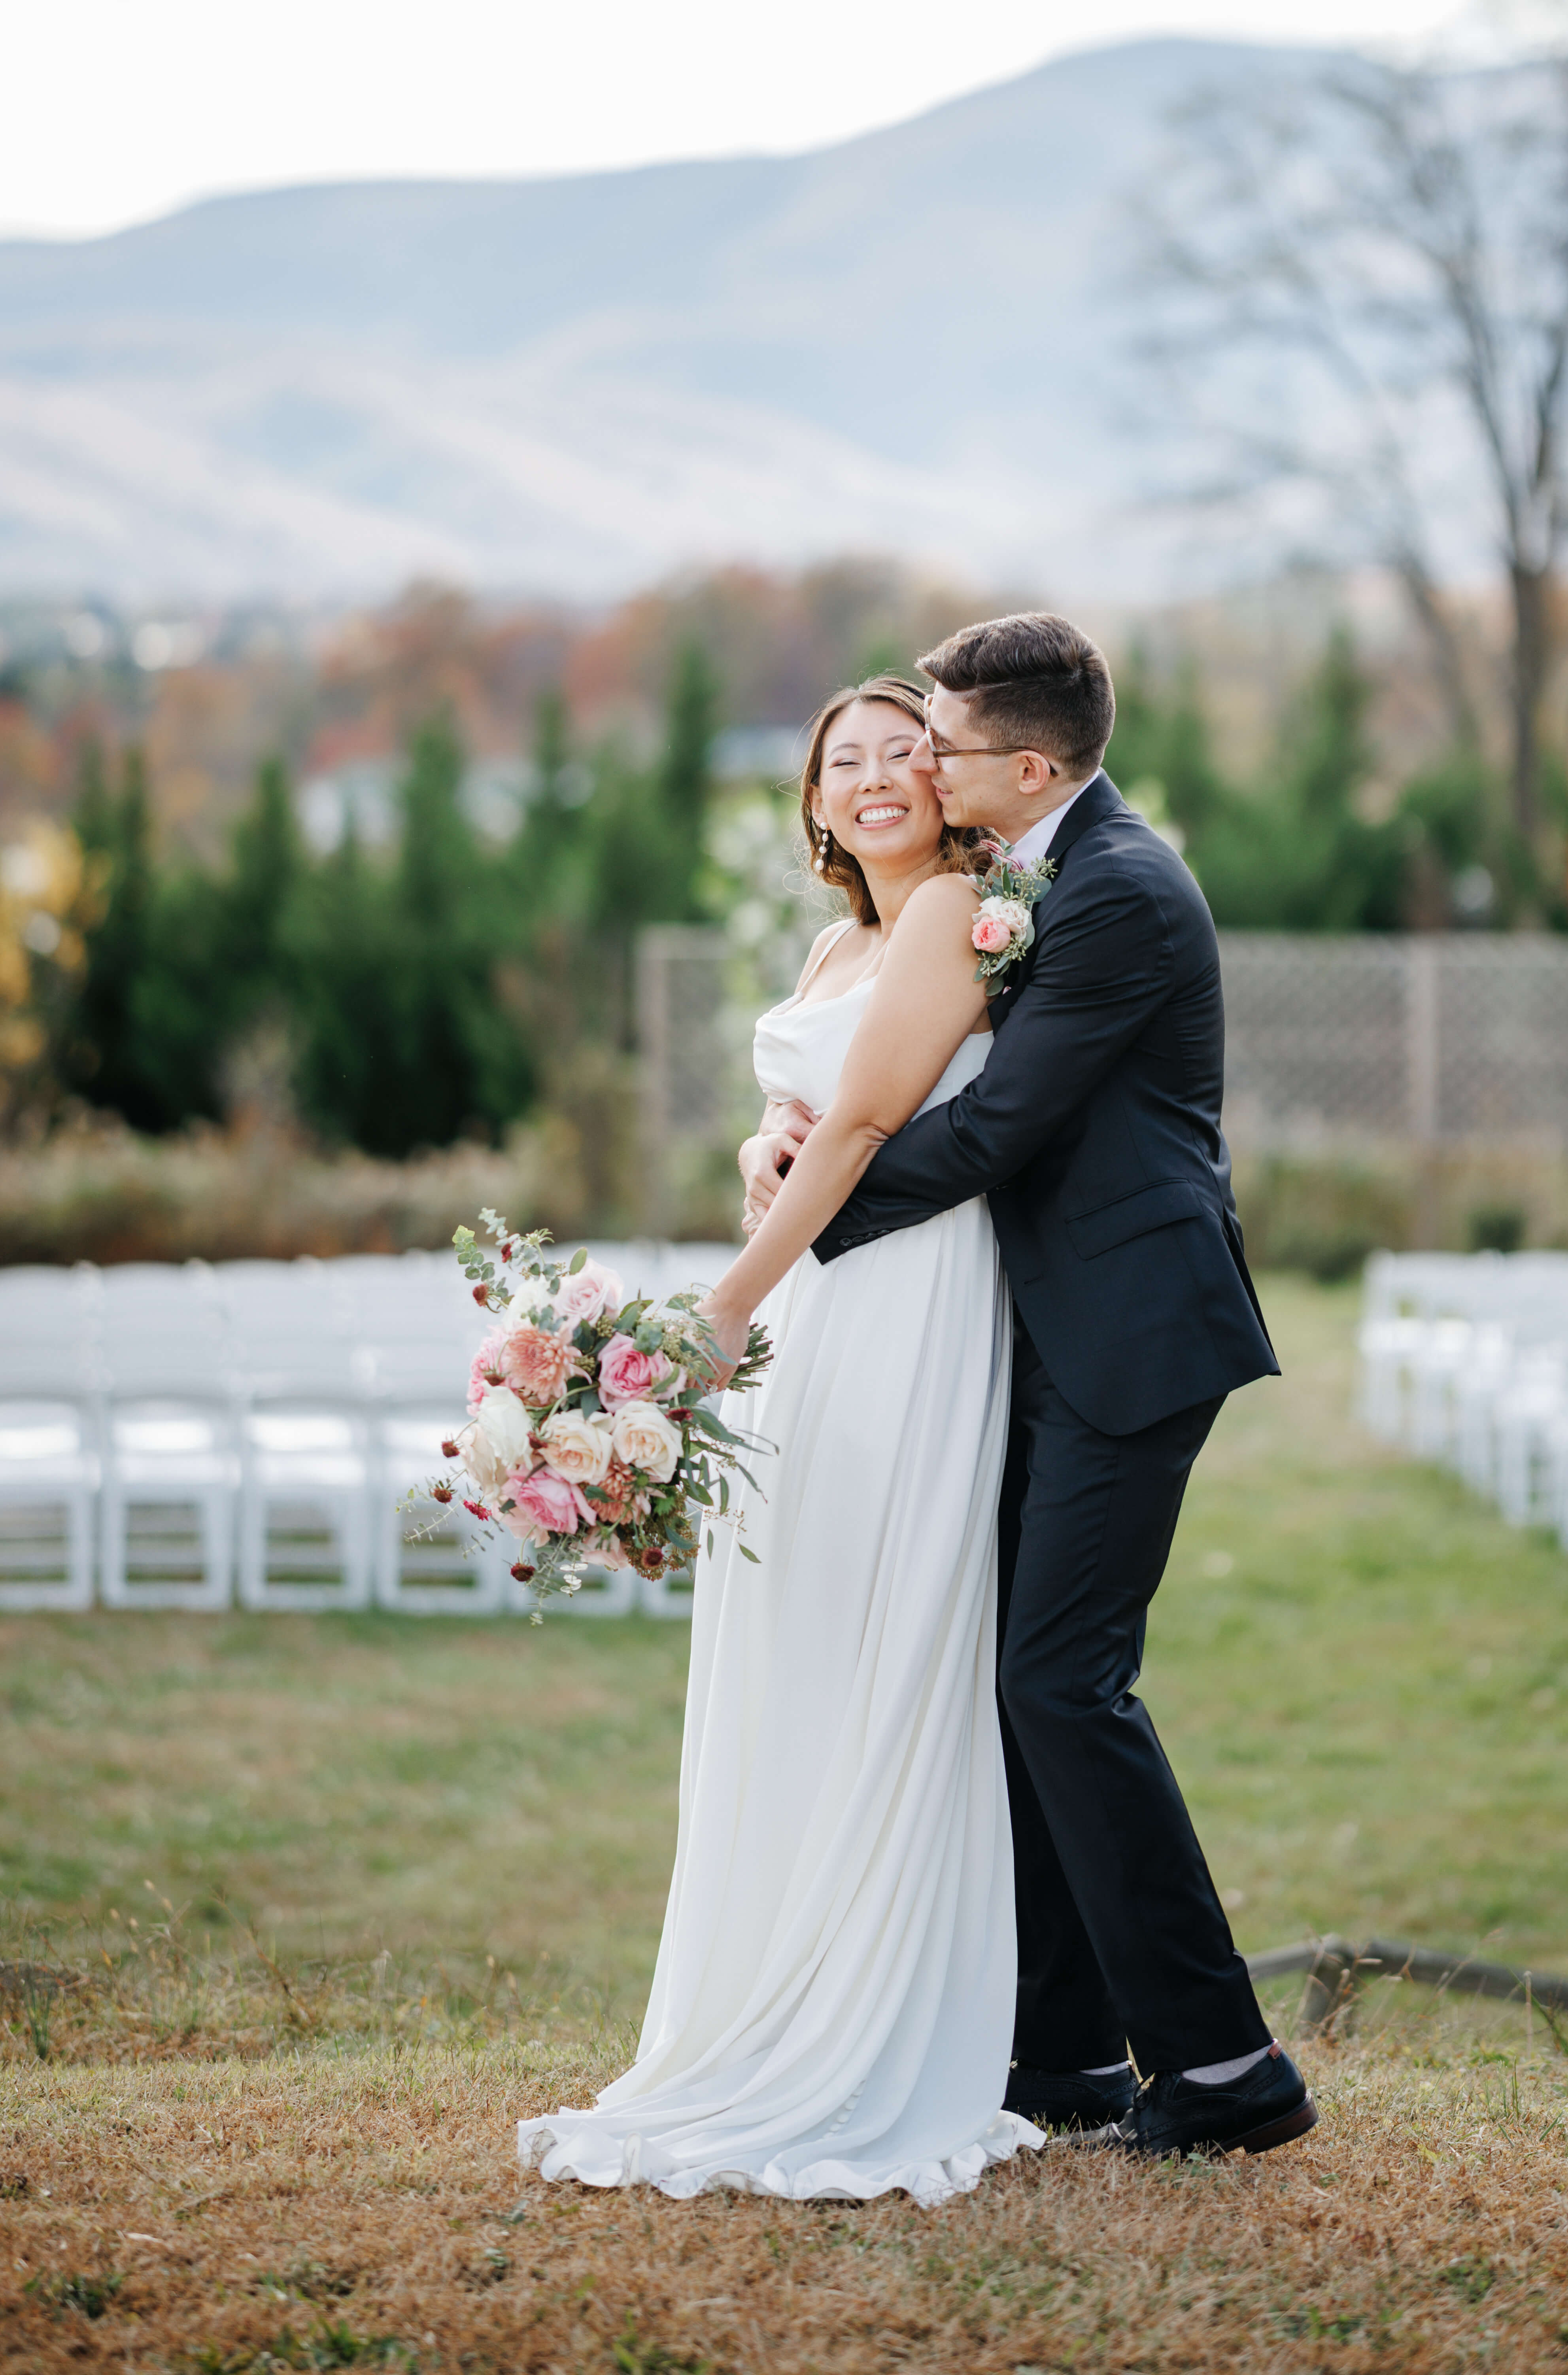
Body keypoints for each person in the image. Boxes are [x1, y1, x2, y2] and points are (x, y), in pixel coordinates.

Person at [740, 613, 1315, 2164]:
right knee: (1016, 1678)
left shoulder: (1117, 889)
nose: (920, 763)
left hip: (1133, 1331)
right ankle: (1061, 2051)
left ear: (1032, 768)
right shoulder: (1042, 869)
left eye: (940, 743)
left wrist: (812, 1209)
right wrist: (785, 1145)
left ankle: (1222, 2063)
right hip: (1041, 1326)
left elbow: (997, 1129)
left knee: (1063, 1681)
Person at [517, 677, 1043, 2205]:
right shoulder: (836, 942)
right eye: (843, 763)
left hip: (901, 1300)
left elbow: (870, 1128)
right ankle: (763, 1986)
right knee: (793, 1624)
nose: (874, 779)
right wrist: (758, 1144)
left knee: (877, 1623)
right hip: (813, 1303)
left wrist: (727, 1307)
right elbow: (802, 1116)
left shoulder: (947, 915)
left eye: (902, 755)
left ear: (944, 783)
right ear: (814, 803)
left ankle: (855, 2018)